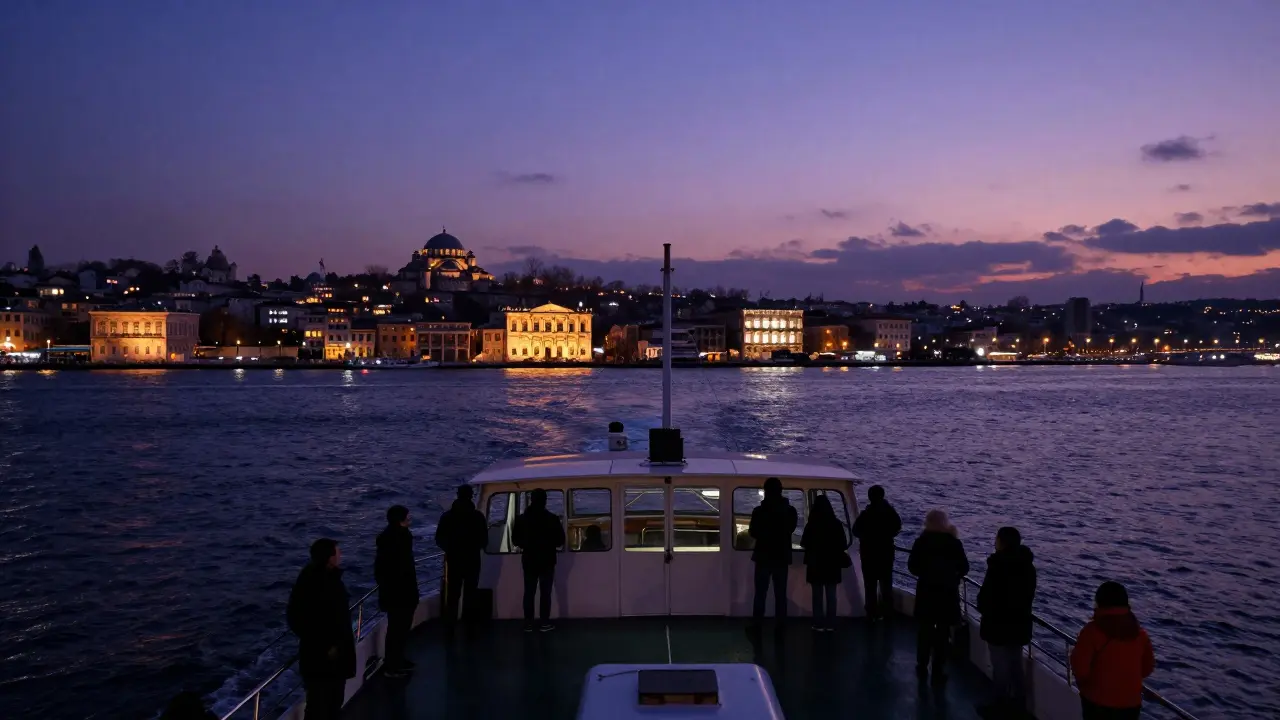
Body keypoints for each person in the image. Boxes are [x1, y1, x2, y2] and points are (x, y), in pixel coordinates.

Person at [287, 538, 356, 720]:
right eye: (337, 551)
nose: (340, 554)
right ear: (329, 557)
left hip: (323, 655)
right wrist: (327, 646)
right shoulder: (320, 582)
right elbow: (302, 619)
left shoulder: (312, 578)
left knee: (329, 702)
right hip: (324, 656)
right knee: (320, 705)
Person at [1070, 582, 1155, 720]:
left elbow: (1080, 668)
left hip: (1097, 703)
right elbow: (1147, 668)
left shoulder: (1091, 632)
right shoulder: (1140, 634)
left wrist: (1087, 687)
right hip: (1130, 705)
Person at [976, 527, 1037, 719]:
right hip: (1019, 624)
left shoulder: (997, 566)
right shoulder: (1028, 566)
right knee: (1015, 664)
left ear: (1001, 542)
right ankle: (1019, 705)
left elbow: (986, 597)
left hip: (998, 625)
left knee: (1000, 667)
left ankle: (999, 706)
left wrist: (984, 607)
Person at [907, 509, 969, 687]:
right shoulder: (954, 543)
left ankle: (921, 664)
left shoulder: (921, 542)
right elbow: (964, 568)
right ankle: (938, 669)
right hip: (947, 594)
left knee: (924, 630)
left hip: (926, 592)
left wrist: (925, 574)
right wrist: (953, 576)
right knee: (942, 633)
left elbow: (912, 566)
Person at [511, 488, 565, 631]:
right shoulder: (552, 519)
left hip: (529, 559)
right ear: (545, 501)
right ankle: (544, 622)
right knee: (545, 592)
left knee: (529, 592)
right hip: (547, 560)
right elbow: (560, 541)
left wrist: (527, 544)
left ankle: (528, 622)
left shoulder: (521, 519)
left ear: (531, 500)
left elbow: (515, 540)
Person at [376, 505, 419, 677]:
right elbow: (395, 570)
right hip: (399, 593)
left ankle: (397, 660)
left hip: (400, 592)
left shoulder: (397, 538)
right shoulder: (396, 540)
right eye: (407, 517)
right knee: (397, 629)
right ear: (400, 519)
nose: (409, 519)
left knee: (400, 628)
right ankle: (392, 665)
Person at [433, 486, 487, 625]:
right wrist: (473, 548)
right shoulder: (478, 517)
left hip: (454, 560)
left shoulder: (447, 517)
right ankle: (469, 625)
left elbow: (439, 538)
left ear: (457, 495)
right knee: (470, 593)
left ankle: (450, 626)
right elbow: (484, 540)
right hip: (473, 559)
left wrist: (451, 549)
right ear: (471, 496)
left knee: (453, 594)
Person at [749, 477, 799, 623]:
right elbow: (790, 529)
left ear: (765, 492)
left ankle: (757, 625)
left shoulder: (759, 511)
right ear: (781, 491)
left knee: (760, 594)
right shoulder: (790, 511)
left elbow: (753, 532)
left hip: (763, 556)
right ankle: (780, 626)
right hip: (781, 556)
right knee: (780, 594)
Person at [851, 484, 902, 620]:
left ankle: (872, 613)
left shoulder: (866, 514)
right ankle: (887, 613)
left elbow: (855, 530)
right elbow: (897, 526)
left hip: (868, 554)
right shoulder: (890, 512)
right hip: (886, 553)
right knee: (886, 584)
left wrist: (866, 537)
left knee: (870, 585)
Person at [800, 494, 847, 631]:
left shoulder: (812, 524)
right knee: (831, 595)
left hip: (815, 564)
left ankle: (818, 623)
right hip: (832, 564)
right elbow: (843, 544)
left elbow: (804, 543)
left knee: (817, 595)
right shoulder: (836, 524)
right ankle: (831, 623)